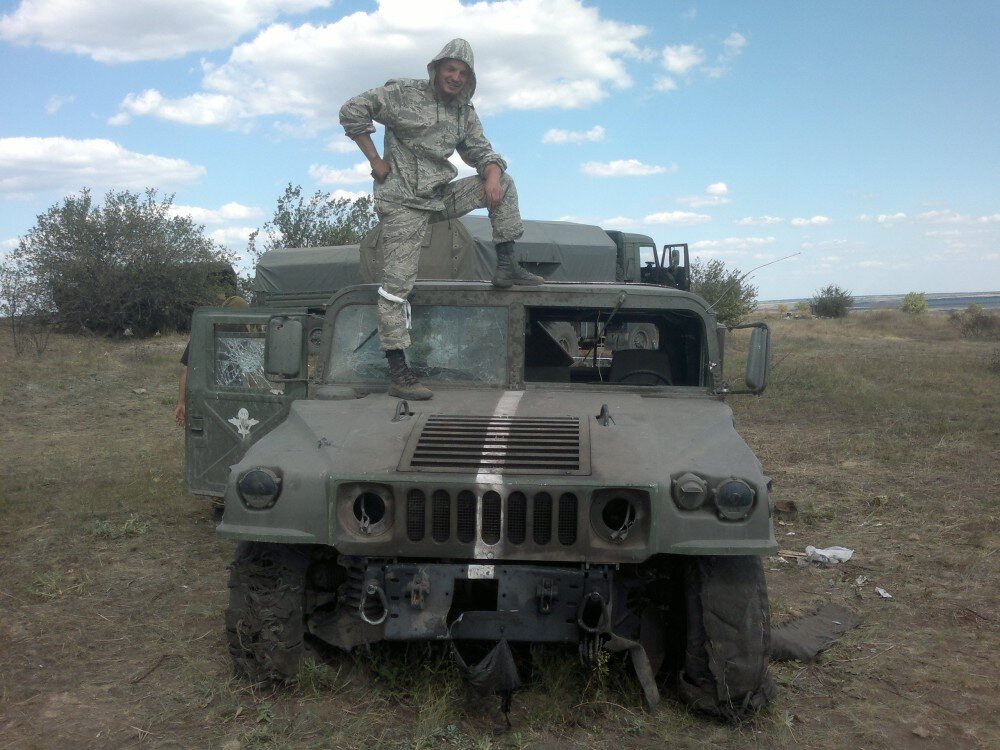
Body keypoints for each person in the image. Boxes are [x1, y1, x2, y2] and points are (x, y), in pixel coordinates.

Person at [340, 38, 543, 401]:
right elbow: (352, 109)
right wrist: (375, 161)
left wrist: (491, 173)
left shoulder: (464, 111)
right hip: (402, 201)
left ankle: (506, 264)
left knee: (504, 181)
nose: (456, 77)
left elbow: (481, 150)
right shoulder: (402, 94)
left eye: (463, 73)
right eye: (451, 69)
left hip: (439, 196)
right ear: (436, 69)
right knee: (396, 285)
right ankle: (399, 372)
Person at [174, 295, 248, 427]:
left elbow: (186, 369)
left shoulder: (204, 331)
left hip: (205, 395)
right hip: (235, 395)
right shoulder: (243, 331)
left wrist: (181, 402)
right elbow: (248, 369)